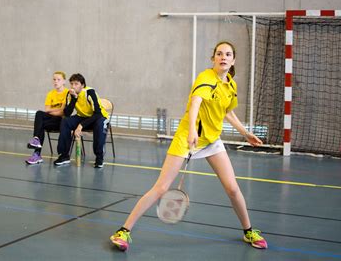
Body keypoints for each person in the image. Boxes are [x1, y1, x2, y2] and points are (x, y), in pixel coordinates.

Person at [110, 41, 268, 251]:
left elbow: (228, 112)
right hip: (187, 137)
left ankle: (249, 231)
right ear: (213, 58)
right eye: (219, 53)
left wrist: (245, 133)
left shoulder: (230, 83)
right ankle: (124, 231)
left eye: (228, 54)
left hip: (211, 140)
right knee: (162, 187)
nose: (223, 57)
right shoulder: (206, 78)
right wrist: (193, 129)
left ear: (233, 60)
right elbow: (195, 103)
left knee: (232, 188)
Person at [53, 73, 109, 168]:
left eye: (76, 84)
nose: (73, 86)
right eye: (72, 84)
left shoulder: (90, 92)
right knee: (66, 121)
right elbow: (67, 113)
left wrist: (80, 126)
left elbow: (98, 113)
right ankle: (64, 156)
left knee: (100, 124)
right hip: (82, 117)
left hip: (98, 117)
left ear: (82, 85)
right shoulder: (70, 94)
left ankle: (99, 158)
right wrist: (74, 98)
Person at [26, 71, 69, 165]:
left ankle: (37, 154)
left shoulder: (67, 93)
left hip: (61, 123)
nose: (56, 82)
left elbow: (63, 112)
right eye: (54, 79)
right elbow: (46, 110)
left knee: (40, 124)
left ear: (64, 81)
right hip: (51, 120)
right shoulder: (50, 94)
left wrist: (53, 110)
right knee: (39, 114)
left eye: (58, 79)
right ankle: (36, 141)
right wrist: (58, 109)